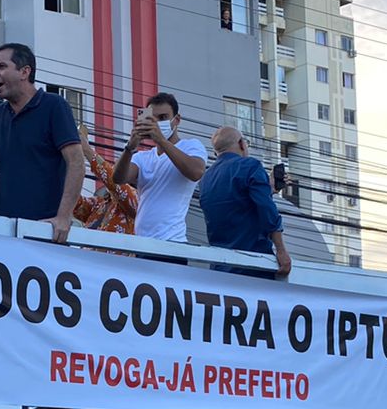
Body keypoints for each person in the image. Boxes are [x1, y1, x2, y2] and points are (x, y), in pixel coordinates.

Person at [0, 43, 83, 242]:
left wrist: (63, 217)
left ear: (24, 72)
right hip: (9, 231)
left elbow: (76, 162)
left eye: (1, 67)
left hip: (46, 231)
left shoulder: (54, 106)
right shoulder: (0, 114)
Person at [110, 92, 207, 243]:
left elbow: (196, 172)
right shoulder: (142, 157)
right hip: (142, 243)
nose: (156, 124)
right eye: (152, 119)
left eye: (162, 118)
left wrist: (161, 140)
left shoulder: (191, 146)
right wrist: (130, 147)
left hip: (172, 242)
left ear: (177, 120)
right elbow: (118, 178)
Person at [198, 127, 291, 277]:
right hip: (254, 263)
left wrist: (268, 189)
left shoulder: (205, 179)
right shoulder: (250, 166)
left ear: (217, 152)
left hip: (220, 267)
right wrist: (281, 250)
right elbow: (267, 209)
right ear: (241, 144)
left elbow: (235, 204)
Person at [72, 125, 136, 234]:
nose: (117, 168)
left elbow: (113, 182)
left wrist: (86, 149)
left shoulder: (137, 200)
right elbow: (74, 202)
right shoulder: (101, 203)